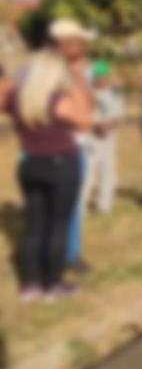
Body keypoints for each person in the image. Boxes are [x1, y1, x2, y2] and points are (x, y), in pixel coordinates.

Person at [2, 49, 92, 300]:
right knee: (58, 225)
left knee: (34, 226)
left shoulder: (20, 98)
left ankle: (29, 285)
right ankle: (53, 285)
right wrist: (77, 82)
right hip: (61, 164)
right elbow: (85, 121)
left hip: (30, 165)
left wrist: (14, 80)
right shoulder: (60, 99)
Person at [50, 19, 95, 274]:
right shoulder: (51, 74)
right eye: (74, 41)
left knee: (75, 202)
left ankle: (71, 254)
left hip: (78, 145)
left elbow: (88, 104)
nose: (79, 46)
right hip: (57, 147)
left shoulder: (79, 72)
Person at [84, 60, 124, 213]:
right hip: (91, 138)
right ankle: (81, 206)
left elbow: (118, 115)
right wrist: (95, 125)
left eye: (103, 76)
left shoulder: (114, 93)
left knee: (108, 171)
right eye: (98, 76)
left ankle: (103, 205)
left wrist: (109, 125)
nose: (101, 79)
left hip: (109, 139)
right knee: (87, 172)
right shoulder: (87, 94)